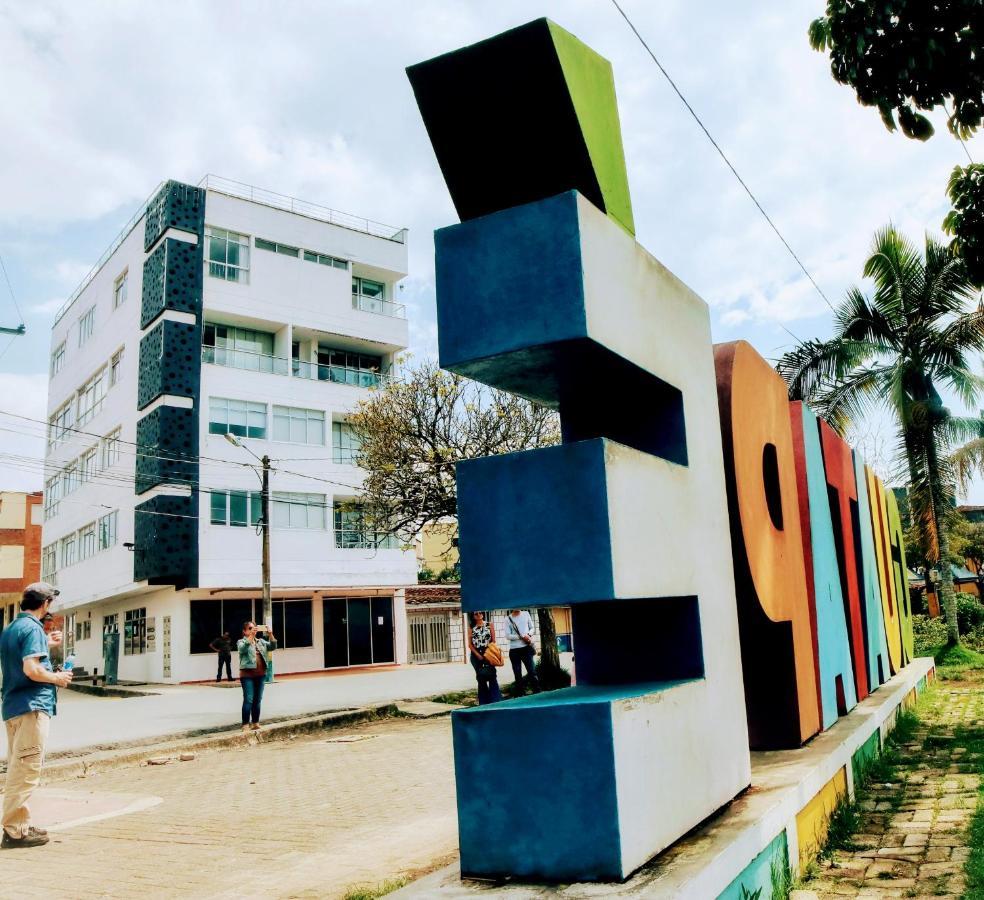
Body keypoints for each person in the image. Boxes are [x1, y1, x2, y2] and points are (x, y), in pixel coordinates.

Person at [0, 583, 73, 850]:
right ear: (45, 604)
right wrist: (58, 677)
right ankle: (15, 831)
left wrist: (46, 643)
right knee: (26, 769)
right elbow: (31, 669)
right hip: (32, 706)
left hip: (13, 706)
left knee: (19, 767)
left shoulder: (12, 628)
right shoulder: (32, 628)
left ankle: (16, 824)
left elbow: (23, 661)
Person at [237, 621, 276, 732]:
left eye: (254, 628)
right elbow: (242, 649)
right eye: (250, 628)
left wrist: (270, 634)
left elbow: (273, 646)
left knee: (257, 700)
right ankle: (245, 724)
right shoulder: (241, 642)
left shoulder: (261, 642)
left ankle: (255, 723)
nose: (252, 630)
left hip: (260, 675)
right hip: (247, 675)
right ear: (244, 631)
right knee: (248, 699)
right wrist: (251, 636)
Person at [466, 611, 502, 705]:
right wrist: (478, 655)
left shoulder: (489, 625)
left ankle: (496, 700)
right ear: (473, 616)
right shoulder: (471, 628)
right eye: (476, 614)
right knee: (481, 677)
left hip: (488, 652)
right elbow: (470, 644)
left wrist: (489, 653)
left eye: (480, 613)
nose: (479, 615)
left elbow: (493, 640)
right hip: (476, 654)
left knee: (492, 676)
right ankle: (484, 702)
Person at [507, 608, 540, 694]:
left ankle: (537, 691)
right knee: (517, 674)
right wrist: (521, 637)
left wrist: (528, 635)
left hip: (526, 648)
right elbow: (508, 635)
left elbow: (532, 628)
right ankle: (520, 693)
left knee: (532, 671)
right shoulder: (507, 619)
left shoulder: (526, 614)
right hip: (514, 650)